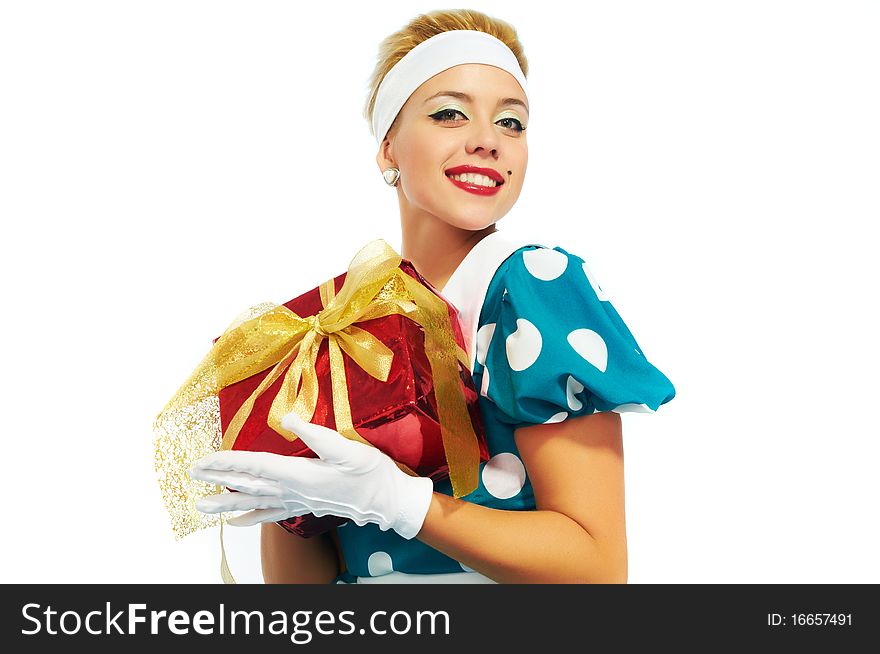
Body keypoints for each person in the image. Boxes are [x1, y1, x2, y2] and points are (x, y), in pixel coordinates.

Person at [190, 9, 676, 584]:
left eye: (512, 123)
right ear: (388, 149)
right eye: (450, 113)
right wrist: (292, 495)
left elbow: (596, 571)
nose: (487, 141)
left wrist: (400, 502)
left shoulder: (531, 285)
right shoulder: (337, 323)